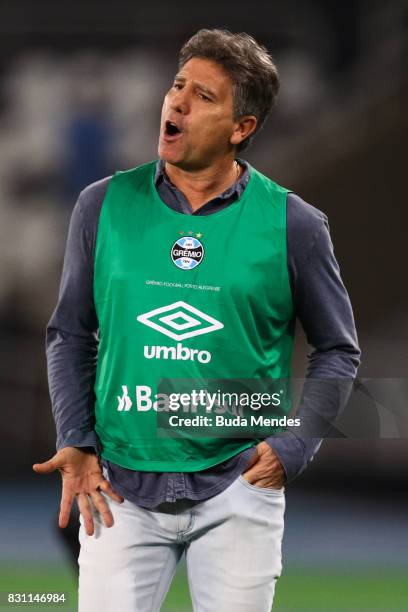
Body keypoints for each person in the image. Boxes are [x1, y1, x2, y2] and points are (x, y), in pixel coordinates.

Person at [33, 29, 361, 612]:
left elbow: (339, 348)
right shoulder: (102, 204)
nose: (177, 102)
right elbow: (70, 333)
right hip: (118, 488)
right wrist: (75, 438)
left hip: (239, 483)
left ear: (242, 129)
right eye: (176, 86)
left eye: (203, 96)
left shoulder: (295, 224)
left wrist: (295, 446)